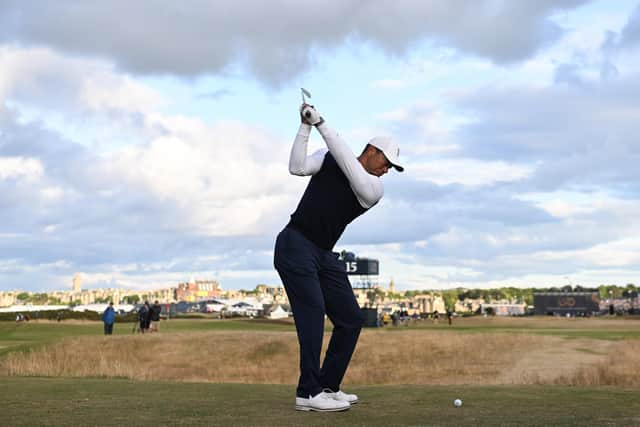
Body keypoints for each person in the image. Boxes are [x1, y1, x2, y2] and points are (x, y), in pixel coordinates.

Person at [273, 103, 403, 412]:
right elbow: (297, 166)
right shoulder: (329, 157)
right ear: (371, 151)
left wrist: (322, 124)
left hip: (323, 253)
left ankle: (328, 386)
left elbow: (348, 163)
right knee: (313, 313)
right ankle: (308, 392)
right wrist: (305, 126)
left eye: (391, 168)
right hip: (295, 244)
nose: (387, 170)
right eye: (387, 162)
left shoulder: (373, 188)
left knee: (351, 318)